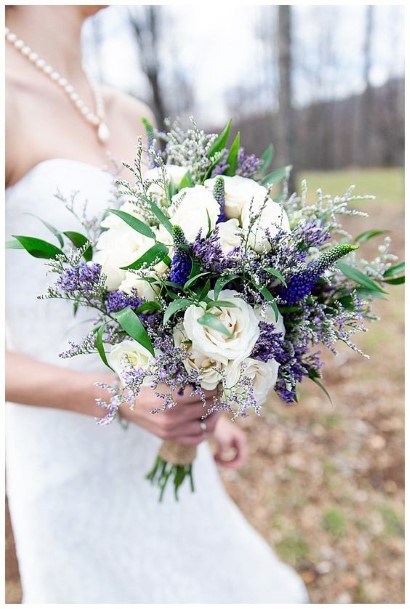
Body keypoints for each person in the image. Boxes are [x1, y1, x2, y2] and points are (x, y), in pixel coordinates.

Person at [5, 5, 309, 603]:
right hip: (70, 464)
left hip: (165, 440)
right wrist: (116, 399)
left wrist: (203, 396)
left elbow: (163, 291)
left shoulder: (130, 113)